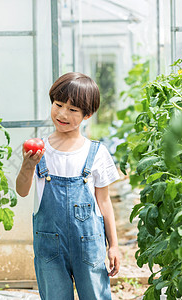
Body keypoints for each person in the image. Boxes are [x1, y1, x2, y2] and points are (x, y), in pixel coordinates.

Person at [15, 72, 121, 299]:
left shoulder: (97, 152)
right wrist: (27, 165)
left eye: (73, 110)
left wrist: (114, 245)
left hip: (89, 245)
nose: (62, 114)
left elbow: (104, 202)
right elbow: (22, 191)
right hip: (49, 247)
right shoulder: (40, 149)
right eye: (58, 104)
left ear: (87, 114)